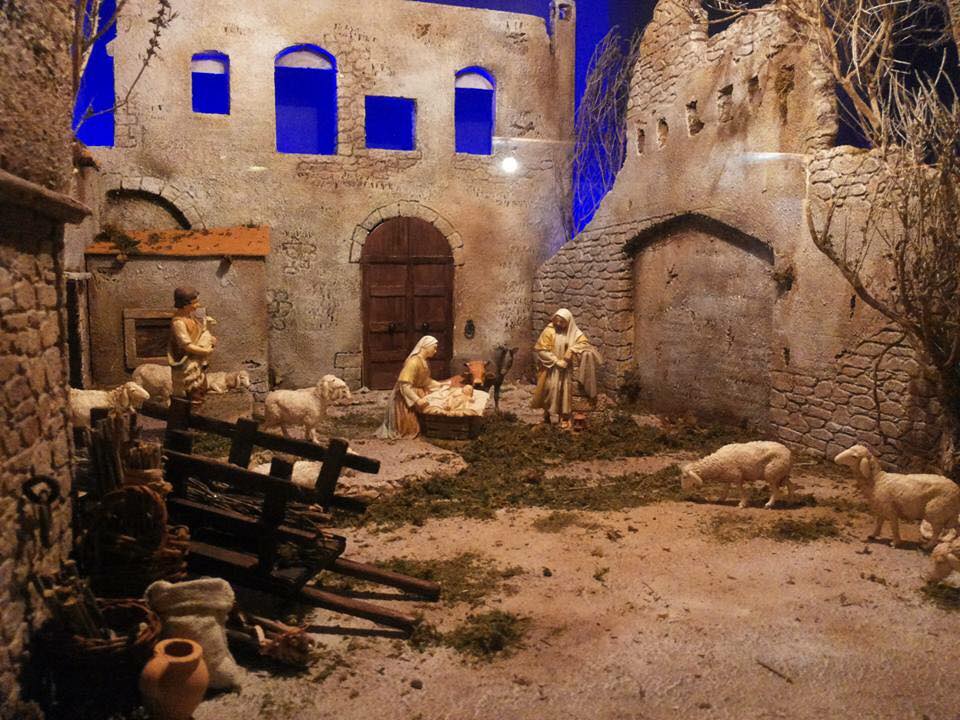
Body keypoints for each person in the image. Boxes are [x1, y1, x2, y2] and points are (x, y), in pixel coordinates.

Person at [531, 308, 592, 429]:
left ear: (568, 322)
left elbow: (584, 343)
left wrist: (572, 350)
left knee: (564, 393)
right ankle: (546, 416)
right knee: (549, 390)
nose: (558, 324)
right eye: (557, 321)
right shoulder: (549, 330)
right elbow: (541, 350)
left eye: (562, 322)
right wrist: (556, 361)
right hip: (551, 369)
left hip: (566, 370)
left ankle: (564, 417)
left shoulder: (573, 332)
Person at [376, 336, 447, 439]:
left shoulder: (424, 362)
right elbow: (405, 386)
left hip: (418, 393)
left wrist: (439, 385)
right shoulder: (413, 362)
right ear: (426, 346)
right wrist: (417, 400)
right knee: (411, 427)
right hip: (406, 399)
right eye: (434, 348)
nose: (435, 351)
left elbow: (425, 380)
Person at [167, 286, 217, 406]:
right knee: (190, 391)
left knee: (201, 387)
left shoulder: (191, 317)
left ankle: (197, 407)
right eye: (195, 302)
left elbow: (199, 332)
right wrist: (205, 351)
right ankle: (188, 410)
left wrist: (209, 338)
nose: (198, 305)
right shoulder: (178, 323)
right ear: (185, 305)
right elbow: (187, 346)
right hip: (187, 364)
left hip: (197, 362)